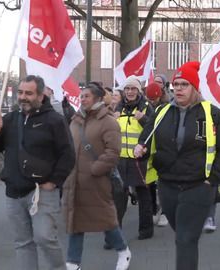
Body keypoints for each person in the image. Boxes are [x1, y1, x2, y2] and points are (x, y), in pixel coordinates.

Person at [134, 61, 220, 270]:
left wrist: (213, 178)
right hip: (168, 186)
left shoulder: (211, 114)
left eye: (184, 84)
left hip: (199, 187)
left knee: (185, 238)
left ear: (195, 88)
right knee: (181, 233)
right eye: (176, 84)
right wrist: (140, 151)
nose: (178, 89)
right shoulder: (162, 112)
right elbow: (146, 141)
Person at [0, 75, 75, 270]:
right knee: (22, 243)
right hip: (14, 192)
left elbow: (68, 155)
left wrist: (54, 182)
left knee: (45, 238)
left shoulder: (55, 120)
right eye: (20, 92)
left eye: (28, 93)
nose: (23, 97)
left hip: (42, 191)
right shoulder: (10, 119)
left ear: (41, 95)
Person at [62, 84, 131, 270]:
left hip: (97, 181)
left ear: (98, 99)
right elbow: (68, 147)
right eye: (81, 95)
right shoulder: (75, 121)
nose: (82, 99)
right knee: (75, 222)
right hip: (74, 181)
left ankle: (123, 251)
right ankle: (72, 262)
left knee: (106, 220)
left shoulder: (108, 122)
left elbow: (113, 152)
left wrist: (95, 169)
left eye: (87, 96)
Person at [115, 76, 155, 240]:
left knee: (143, 194)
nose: (130, 92)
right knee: (118, 196)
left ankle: (146, 230)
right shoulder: (118, 107)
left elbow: (154, 129)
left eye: (133, 89)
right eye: (127, 89)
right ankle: (114, 233)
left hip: (139, 159)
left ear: (139, 91)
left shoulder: (146, 107)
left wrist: (144, 119)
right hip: (120, 159)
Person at [144, 82, 169, 227]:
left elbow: (157, 126)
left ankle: (165, 212)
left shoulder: (166, 108)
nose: (151, 102)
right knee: (150, 184)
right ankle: (154, 210)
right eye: (149, 99)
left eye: (154, 99)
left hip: (162, 150)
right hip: (149, 152)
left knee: (163, 183)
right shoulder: (146, 107)